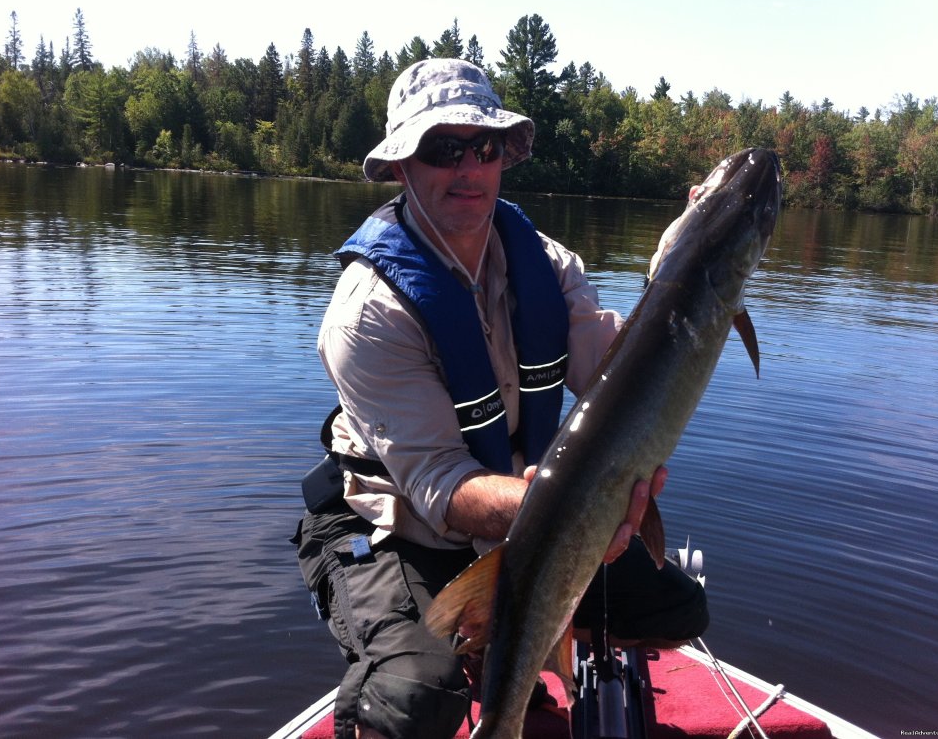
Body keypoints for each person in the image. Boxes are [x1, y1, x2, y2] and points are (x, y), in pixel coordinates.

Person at [293, 58, 708, 739]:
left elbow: (618, 373)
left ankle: (506, 655)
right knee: (411, 699)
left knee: (676, 612)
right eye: (442, 148)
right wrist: (579, 513)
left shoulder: (544, 263)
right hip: (396, 526)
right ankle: (452, 662)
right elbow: (443, 490)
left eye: (483, 147)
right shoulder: (366, 316)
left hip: (529, 515)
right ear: (402, 166)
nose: (468, 167)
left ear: (502, 157)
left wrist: (686, 276)